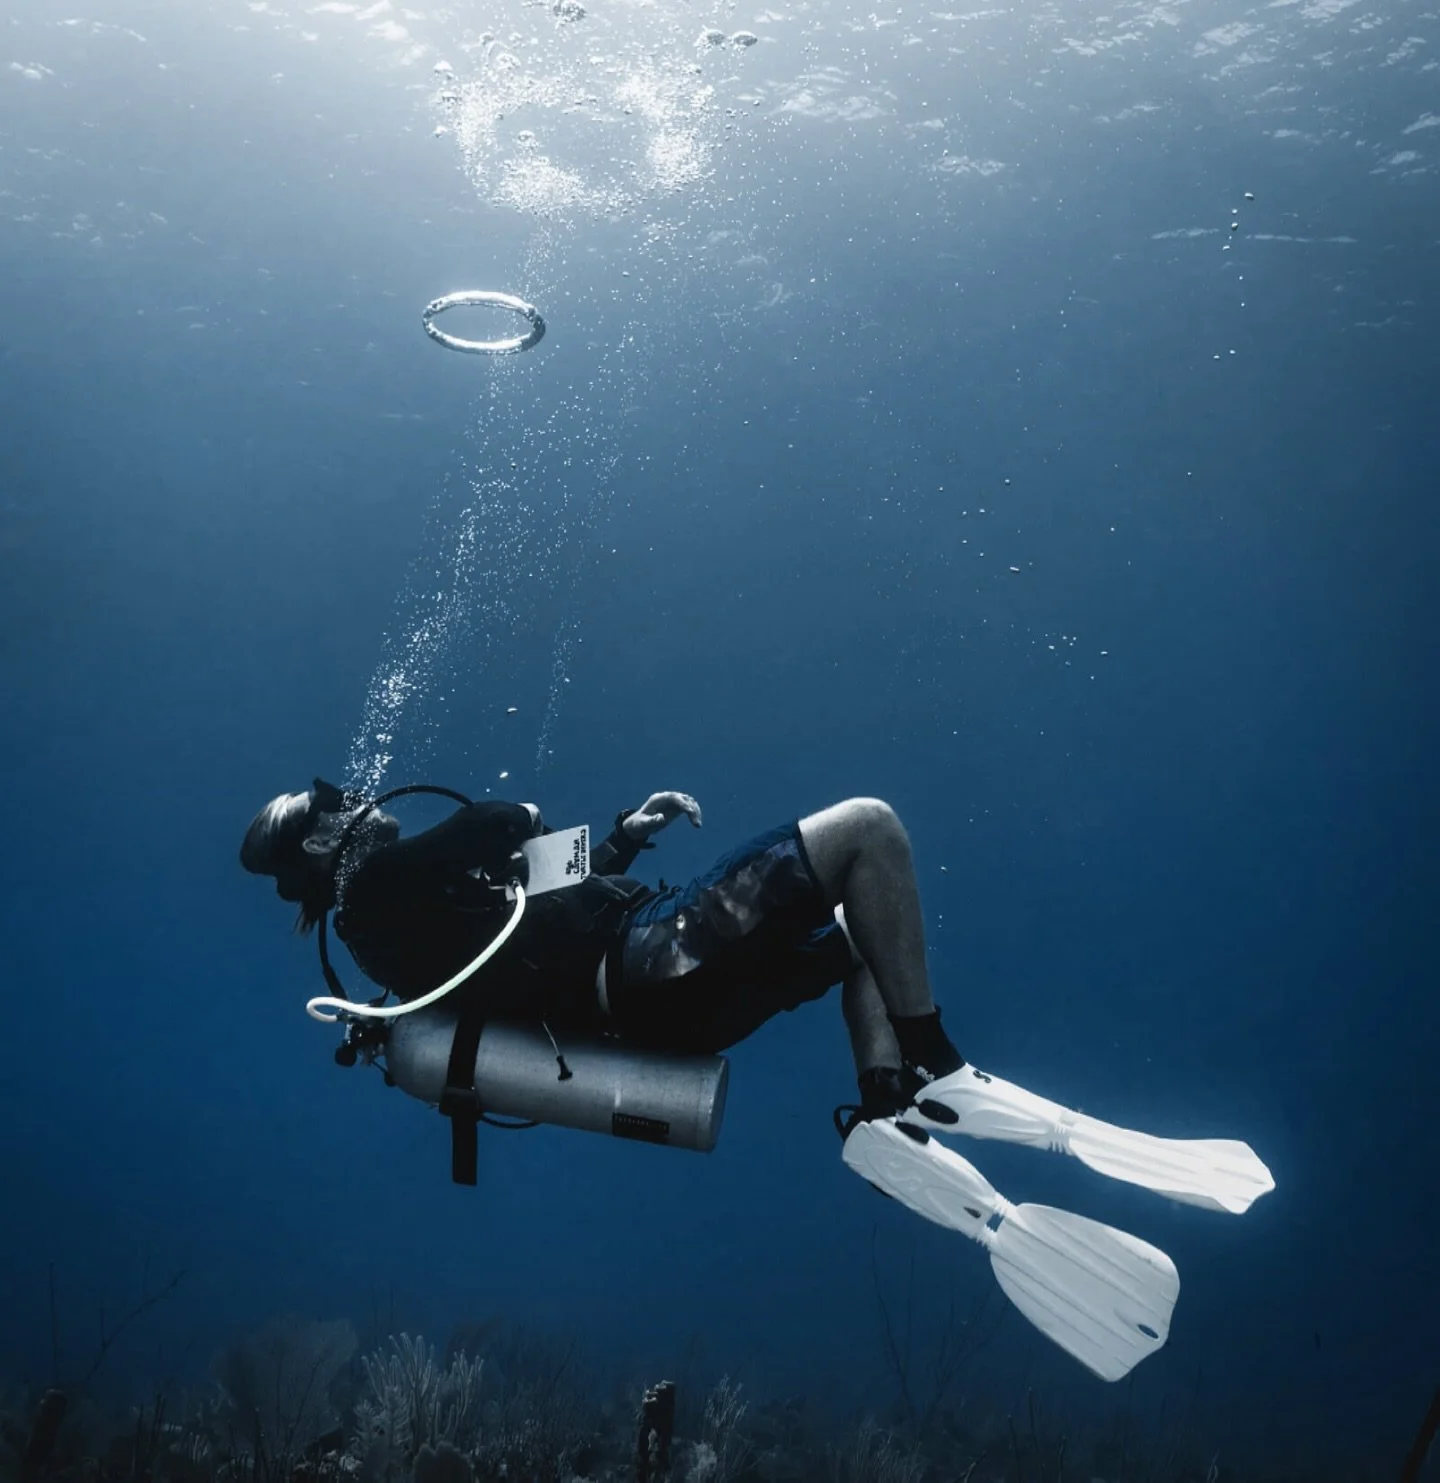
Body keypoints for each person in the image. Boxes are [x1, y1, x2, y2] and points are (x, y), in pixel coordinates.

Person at [239, 783, 963, 1121]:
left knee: (870, 923)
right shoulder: (373, 884)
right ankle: (932, 1058)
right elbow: (496, 825)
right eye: (334, 799)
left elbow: (530, 896)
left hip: (656, 1005)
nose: (357, 795)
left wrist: (626, 833)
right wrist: (520, 812)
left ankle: (889, 1100)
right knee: (870, 828)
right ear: (317, 840)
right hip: (655, 953)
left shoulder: (378, 926)